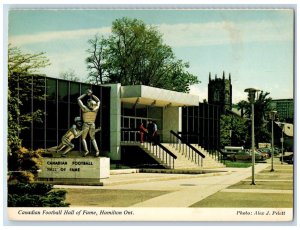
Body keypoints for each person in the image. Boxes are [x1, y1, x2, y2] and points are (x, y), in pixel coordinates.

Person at [78, 89, 101, 157]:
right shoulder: (95, 109)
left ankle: (86, 150)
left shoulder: (85, 108)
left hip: (86, 124)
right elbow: (98, 101)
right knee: (93, 138)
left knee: (83, 138)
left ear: (88, 104)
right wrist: (92, 95)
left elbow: (78, 99)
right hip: (92, 124)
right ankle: (97, 151)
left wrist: (86, 94)